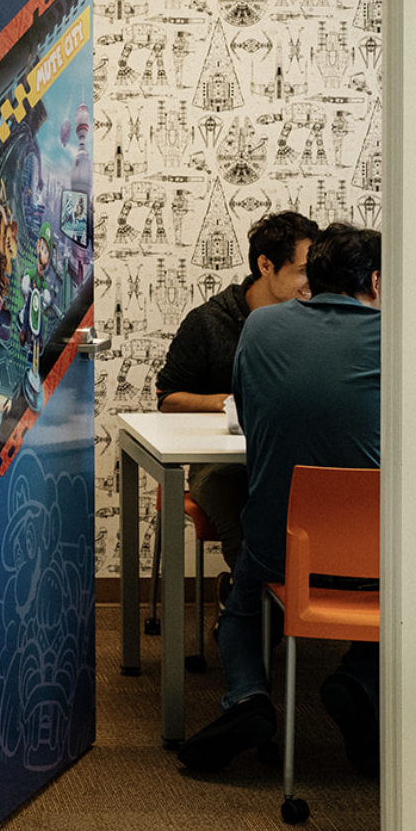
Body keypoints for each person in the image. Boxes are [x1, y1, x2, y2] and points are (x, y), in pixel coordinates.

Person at [178, 222, 382, 777]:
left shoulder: (262, 325)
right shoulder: (401, 336)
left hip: (280, 538)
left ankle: (248, 697)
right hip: (375, 550)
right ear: (375, 281)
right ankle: (357, 677)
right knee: (408, 598)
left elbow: (248, 413)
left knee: (243, 610)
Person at [153, 210, 320, 565]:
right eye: (304, 271)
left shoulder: (319, 320)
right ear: (266, 265)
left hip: (294, 457)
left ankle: (286, 595)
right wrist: (225, 402)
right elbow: (167, 398)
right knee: (245, 521)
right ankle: (249, 596)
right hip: (221, 465)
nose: (312, 284)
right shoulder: (209, 321)